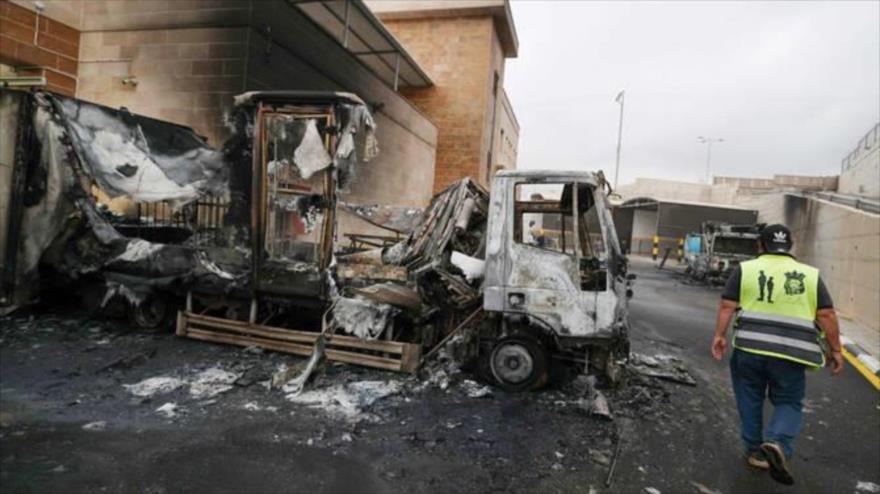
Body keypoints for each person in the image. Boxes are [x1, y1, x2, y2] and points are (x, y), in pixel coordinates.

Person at [710, 224, 843, 486]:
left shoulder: (745, 269)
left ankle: (754, 451)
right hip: (792, 353)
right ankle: (778, 441)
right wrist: (836, 350)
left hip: (750, 348)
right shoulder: (810, 275)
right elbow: (826, 314)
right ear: (790, 246)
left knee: (749, 398)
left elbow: (727, 305)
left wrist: (719, 336)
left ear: (761, 245)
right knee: (788, 400)